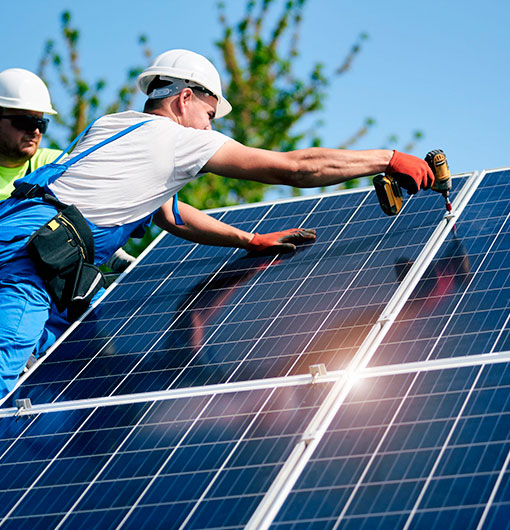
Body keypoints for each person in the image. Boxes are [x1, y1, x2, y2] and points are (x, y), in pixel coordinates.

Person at [0, 49, 434, 397]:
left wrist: (248, 239)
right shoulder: (177, 139)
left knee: (45, 381)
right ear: (184, 99)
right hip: (32, 263)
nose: (211, 127)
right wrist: (388, 158)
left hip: (28, 241)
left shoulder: (113, 127)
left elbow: (169, 213)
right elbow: (294, 168)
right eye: (210, 115)